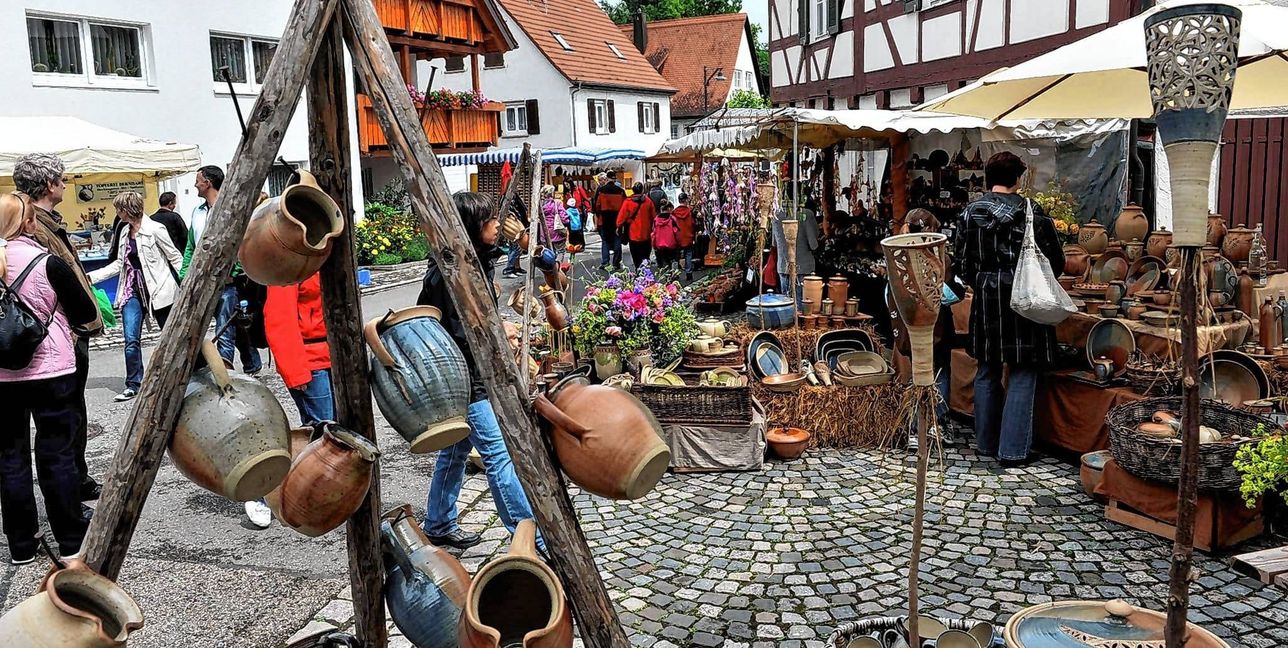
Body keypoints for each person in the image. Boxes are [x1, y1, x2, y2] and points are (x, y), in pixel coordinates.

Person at [417, 192, 545, 552]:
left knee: (455, 451)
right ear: (472, 227)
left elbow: (474, 317)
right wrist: (496, 330)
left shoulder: (474, 262)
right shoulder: (448, 273)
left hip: (473, 372)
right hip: (463, 378)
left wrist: (494, 324)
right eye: (489, 220)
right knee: (500, 456)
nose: (496, 224)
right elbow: (447, 330)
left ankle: (439, 523)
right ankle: (528, 541)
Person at [0, 192, 99, 564]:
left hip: (3, 377)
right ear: (27, 223)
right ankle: (70, 537)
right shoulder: (49, 263)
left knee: (10, 457)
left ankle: (21, 544)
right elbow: (85, 311)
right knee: (56, 454)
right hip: (52, 369)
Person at [955, 152, 1062, 467]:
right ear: (1018, 179)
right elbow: (1056, 261)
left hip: (987, 295)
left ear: (989, 178)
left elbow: (960, 263)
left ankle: (986, 444)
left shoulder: (969, 212)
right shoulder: (1033, 211)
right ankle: (1013, 450)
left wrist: (982, 279)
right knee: (1023, 369)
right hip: (1024, 294)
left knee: (987, 369)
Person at [13, 153, 103, 502]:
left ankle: (72, 482)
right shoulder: (36, 227)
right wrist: (80, 325)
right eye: (62, 180)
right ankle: (73, 489)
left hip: (53, 334)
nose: (66, 185)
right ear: (50, 185)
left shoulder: (43, 221)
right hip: (56, 335)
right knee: (62, 425)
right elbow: (54, 283)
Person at [252, 272, 334, 528]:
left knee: (325, 435)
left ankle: (312, 496)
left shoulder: (327, 257)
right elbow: (279, 318)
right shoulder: (291, 264)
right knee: (322, 434)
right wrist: (296, 370)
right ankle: (264, 493)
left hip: (330, 356)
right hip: (309, 360)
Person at [87, 192, 184, 402]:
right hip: (132, 290)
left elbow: (175, 257)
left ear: (127, 209)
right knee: (131, 339)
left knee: (171, 336)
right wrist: (92, 277)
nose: (116, 213)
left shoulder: (156, 229)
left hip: (159, 290)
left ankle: (183, 378)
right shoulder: (124, 232)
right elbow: (119, 264)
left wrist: (185, 281)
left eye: (118, 209)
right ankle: (133, 384)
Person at [181, 165, 262, 374]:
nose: (195, 185)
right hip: (201, 281)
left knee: (224, 325)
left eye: (198, 180)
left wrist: (233, 272)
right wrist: (184, 274)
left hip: (226, 283)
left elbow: (241, 244)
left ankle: (225, 368)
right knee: (225, 325)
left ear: (207, 183)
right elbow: (192, 245)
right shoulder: (197, 213)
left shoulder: (229, 210)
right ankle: (251, 361)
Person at [771, 201, 820, 305]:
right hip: (803, 266)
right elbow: (813, 244)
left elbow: (774, 243)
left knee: (786, 304)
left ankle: (789, 321)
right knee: (802, 306)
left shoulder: (776, 214)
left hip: (783, 265)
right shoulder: (805, 214)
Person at [592, 171, 626, 271]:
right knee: (617, 241)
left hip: (604, 220)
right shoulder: (620, 191)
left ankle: (605, 262)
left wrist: (599, 216)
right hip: (617, 220)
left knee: (605, 241)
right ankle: (616, 263)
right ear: (615, 179)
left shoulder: (601, 190)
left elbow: (597, 206)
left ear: (607, 178)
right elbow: (624, 207)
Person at [617, 182, 656, 269]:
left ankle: (638, 271)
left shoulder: (628, 202)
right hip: (646, 233)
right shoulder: (648, 201)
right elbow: (653, 216)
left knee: (636, 256)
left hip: (633, 234)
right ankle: (645, 273)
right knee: (645, 256)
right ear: (642, 190)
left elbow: (621, 217)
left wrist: (618, 226)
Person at [501, 196, 529, 278]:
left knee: (517, 249)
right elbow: (509, 212)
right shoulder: (508, 198)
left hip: (518, 225)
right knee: (514, 249)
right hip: (514, 227)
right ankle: (509, 269)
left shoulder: (514, 197)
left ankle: (517, 267)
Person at [672, 193, 697, 281]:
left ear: (679, 201)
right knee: (688, 254)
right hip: (688, 236)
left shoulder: (674, 212)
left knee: (676, 256)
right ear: (686, 200)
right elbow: (693, 224)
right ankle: (689, 273)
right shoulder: (690, 211)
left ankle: (675, 274)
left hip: (677, 237)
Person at [651, 199, 681, 271]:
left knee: (664, 264)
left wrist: (654, 245)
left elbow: (653, 233)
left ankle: (667, 277)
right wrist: (679, 243)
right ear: (669, 208)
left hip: (660, 246)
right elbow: (676, 232)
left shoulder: (656, 220)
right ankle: (673, 277)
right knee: (673, 262)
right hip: (672, 245)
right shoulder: (672, 219)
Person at [539, 185, 568, 254]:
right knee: (560, 252)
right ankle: (557, 264)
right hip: (556, 232)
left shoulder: (539, 204)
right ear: (552, 193)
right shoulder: (557, 203)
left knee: (547, 253)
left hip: (543, 233)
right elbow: (564, 218)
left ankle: (551, 264)